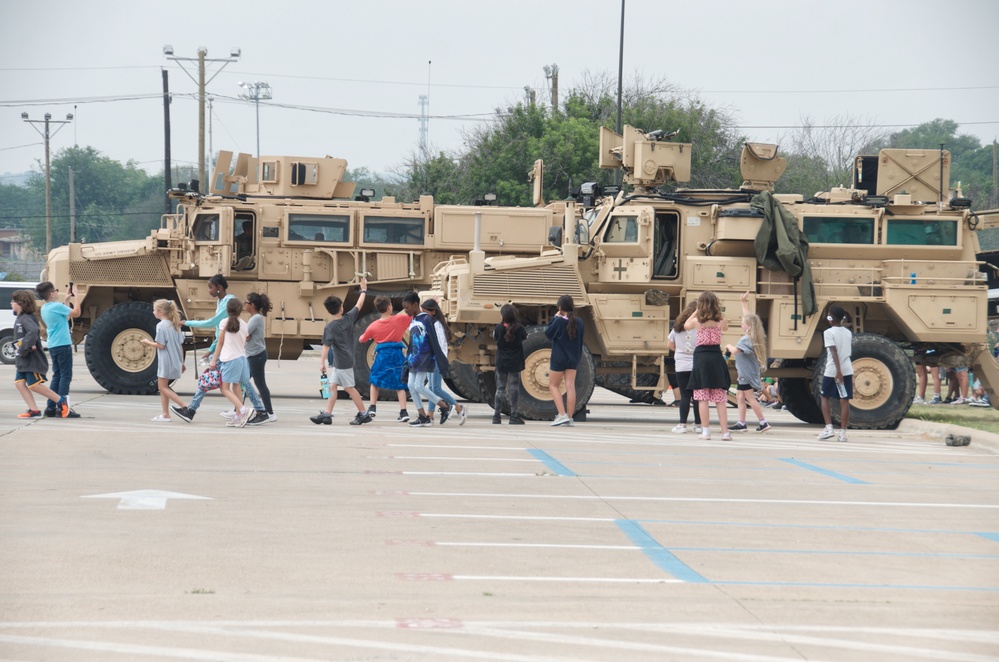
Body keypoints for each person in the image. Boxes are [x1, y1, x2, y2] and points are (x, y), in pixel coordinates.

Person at [171, 274, 266, 423]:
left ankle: (244, 410)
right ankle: (251, 412)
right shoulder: (222, 303)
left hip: (228, 355)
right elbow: (219, 333)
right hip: (233, 355)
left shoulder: (229, 302)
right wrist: (211, 349)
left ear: (219, 287)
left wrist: (186, 322)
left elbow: (213, 323)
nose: (209, 290)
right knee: (239, 383)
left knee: (213, 381)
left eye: (210, 287)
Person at [310, 278, 372, 426]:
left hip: (342, 362)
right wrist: (363, 290)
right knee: (332, 386)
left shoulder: (330, 327)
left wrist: (321, 362)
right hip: (343, 361)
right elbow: (359, 304)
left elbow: (326, 346)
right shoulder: (349, 318)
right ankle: (327, 413)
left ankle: (364, 413)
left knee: (349, 388)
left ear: (328, 310)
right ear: (341, 308)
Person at [11, 290, 70, 418]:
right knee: (19, 383)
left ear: (21, 304)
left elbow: (33, 332)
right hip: (23, 360)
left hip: (31, 359)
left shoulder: (26, 318)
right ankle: (34, 410)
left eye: (13, 302)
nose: (11, 304)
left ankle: (61, 401)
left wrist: (23, 348)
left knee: (34, 385)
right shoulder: (20, 318)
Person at [685, 291, 731, 441]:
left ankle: (706, 431)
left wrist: (696, 312)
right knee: (720, 398)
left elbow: (685, 325)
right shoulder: (721, 321)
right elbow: (726, 329)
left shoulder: (697, 321)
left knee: (702, 396)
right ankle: (725, 432)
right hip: (716, 357)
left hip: (701, 358)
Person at [359, 295, 411, 423]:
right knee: (400, 384)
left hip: (381, 356)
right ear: (389, 307)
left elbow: (362, 339)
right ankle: (403, 412)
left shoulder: (373, 325)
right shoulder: (400, 319)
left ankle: (372, 407)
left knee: (375, 381)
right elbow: (412, 315)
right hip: (397, 355)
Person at [725, 292, 771, 433]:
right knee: (740, 396)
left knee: (750, 398)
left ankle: (763, 422)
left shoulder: (746, 340)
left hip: (746, 373)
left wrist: (727, 346)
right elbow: (749, 317)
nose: (741, 324)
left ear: (749, 326)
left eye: (742, 323)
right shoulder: (753, 335)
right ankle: (741, 423)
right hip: (746, 372)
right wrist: (743, 302)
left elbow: (735, 351)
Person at [36, 281, 82, 418]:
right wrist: (77, 296)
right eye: (55, 290)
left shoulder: (46, 308)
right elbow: (76, 313)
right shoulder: (56, 306)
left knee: (57, 375)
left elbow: (66, 317)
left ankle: (51, 407)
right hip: (63, 344)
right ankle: (64, 407)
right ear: (51, 294)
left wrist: (67, 301)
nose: (57, 292)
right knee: (66, 376)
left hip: (53, 345)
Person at [140, 299, 187, 422]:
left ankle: (185, 406)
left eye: (154, 310)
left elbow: (160, 345)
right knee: (164, 386)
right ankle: (165, 414)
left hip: (166, 361)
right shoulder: (175, 324)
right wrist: (181, 362)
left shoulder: (161, 326)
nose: (153, 312)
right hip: (175, 360)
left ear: (160, 312)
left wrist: (147, 342)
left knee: (162, 387)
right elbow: (180, 345)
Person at [422, 299, 467, 425]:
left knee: (435, 389)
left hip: (437, 359)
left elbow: (441, 344)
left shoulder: (437, 325)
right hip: (432, 359)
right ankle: (430, 416)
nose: (423, 315)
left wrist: (439, 359)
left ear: (433, 312)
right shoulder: (432, 323)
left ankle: (457, 406)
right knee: (431, 388)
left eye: (425, 312)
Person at [404, 292, 446, 427]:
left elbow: (434, 340)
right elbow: (412, 341)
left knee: (419, 386)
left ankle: (444, 406)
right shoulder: (413, 320)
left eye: (407, 307)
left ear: (415, 305)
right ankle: (422, 416)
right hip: (413, 359)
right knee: (411, 386)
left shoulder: (426, 319)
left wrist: (438, 358)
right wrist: (408, 358)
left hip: (424, 358)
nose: (405, 310)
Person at [211, 298, 254, 427]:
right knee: (236, 387)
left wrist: (213, 360)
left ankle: (243, 409)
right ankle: (238, 416)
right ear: (240, 310)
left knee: (224, 388)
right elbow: (245, 342)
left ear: (227, 310)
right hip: (242, 359)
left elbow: (220, 343)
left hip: (229, 359)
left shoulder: (224, 322)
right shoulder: (245, 325)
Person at [546, 294, 584, 427]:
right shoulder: (579, 322)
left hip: (559, 359)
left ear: (560, 307)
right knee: (570, 386)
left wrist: (554, 318)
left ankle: (561, 415)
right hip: (573, 359)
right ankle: (570, 417)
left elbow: (548, 334)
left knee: (553, 385)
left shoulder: (559, 321)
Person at [818, 305, 853, 442]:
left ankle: (829, 428)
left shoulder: (828, 333)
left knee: (824, 397)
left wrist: (838, 372)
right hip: (847, 369)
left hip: (833, 370)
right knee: (844, 400)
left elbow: (833, 351)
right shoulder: (848, 332)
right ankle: (843, 433)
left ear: (830, 319)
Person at [668, 301, 701, 433]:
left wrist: (680, 350)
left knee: (685, 395)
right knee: (698, 396)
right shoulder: (699, 326)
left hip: (681, 364)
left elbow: (670, 345)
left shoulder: (677, 327)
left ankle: (682, 424)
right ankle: (698, 424)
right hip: (696, 364)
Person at [492, 303, 527, 425]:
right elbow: (524, 337)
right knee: (514, 387)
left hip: (502, 361)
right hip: (515, 361)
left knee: (500, 388)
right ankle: (514, 415)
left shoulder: (498, 328)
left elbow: (495, 338)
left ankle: (496, 416)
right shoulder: (520, 328)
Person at [244, 292, 275, 424]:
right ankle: (237, 409)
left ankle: (269, 413)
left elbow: (244, 334)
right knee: (244, 383)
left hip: (256, 355)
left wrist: (246, 336)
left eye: (247, 302)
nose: (245, 304)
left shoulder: (255, 318)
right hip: (253, 354)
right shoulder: (254, 318)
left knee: (259, 384)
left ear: (253, 305)